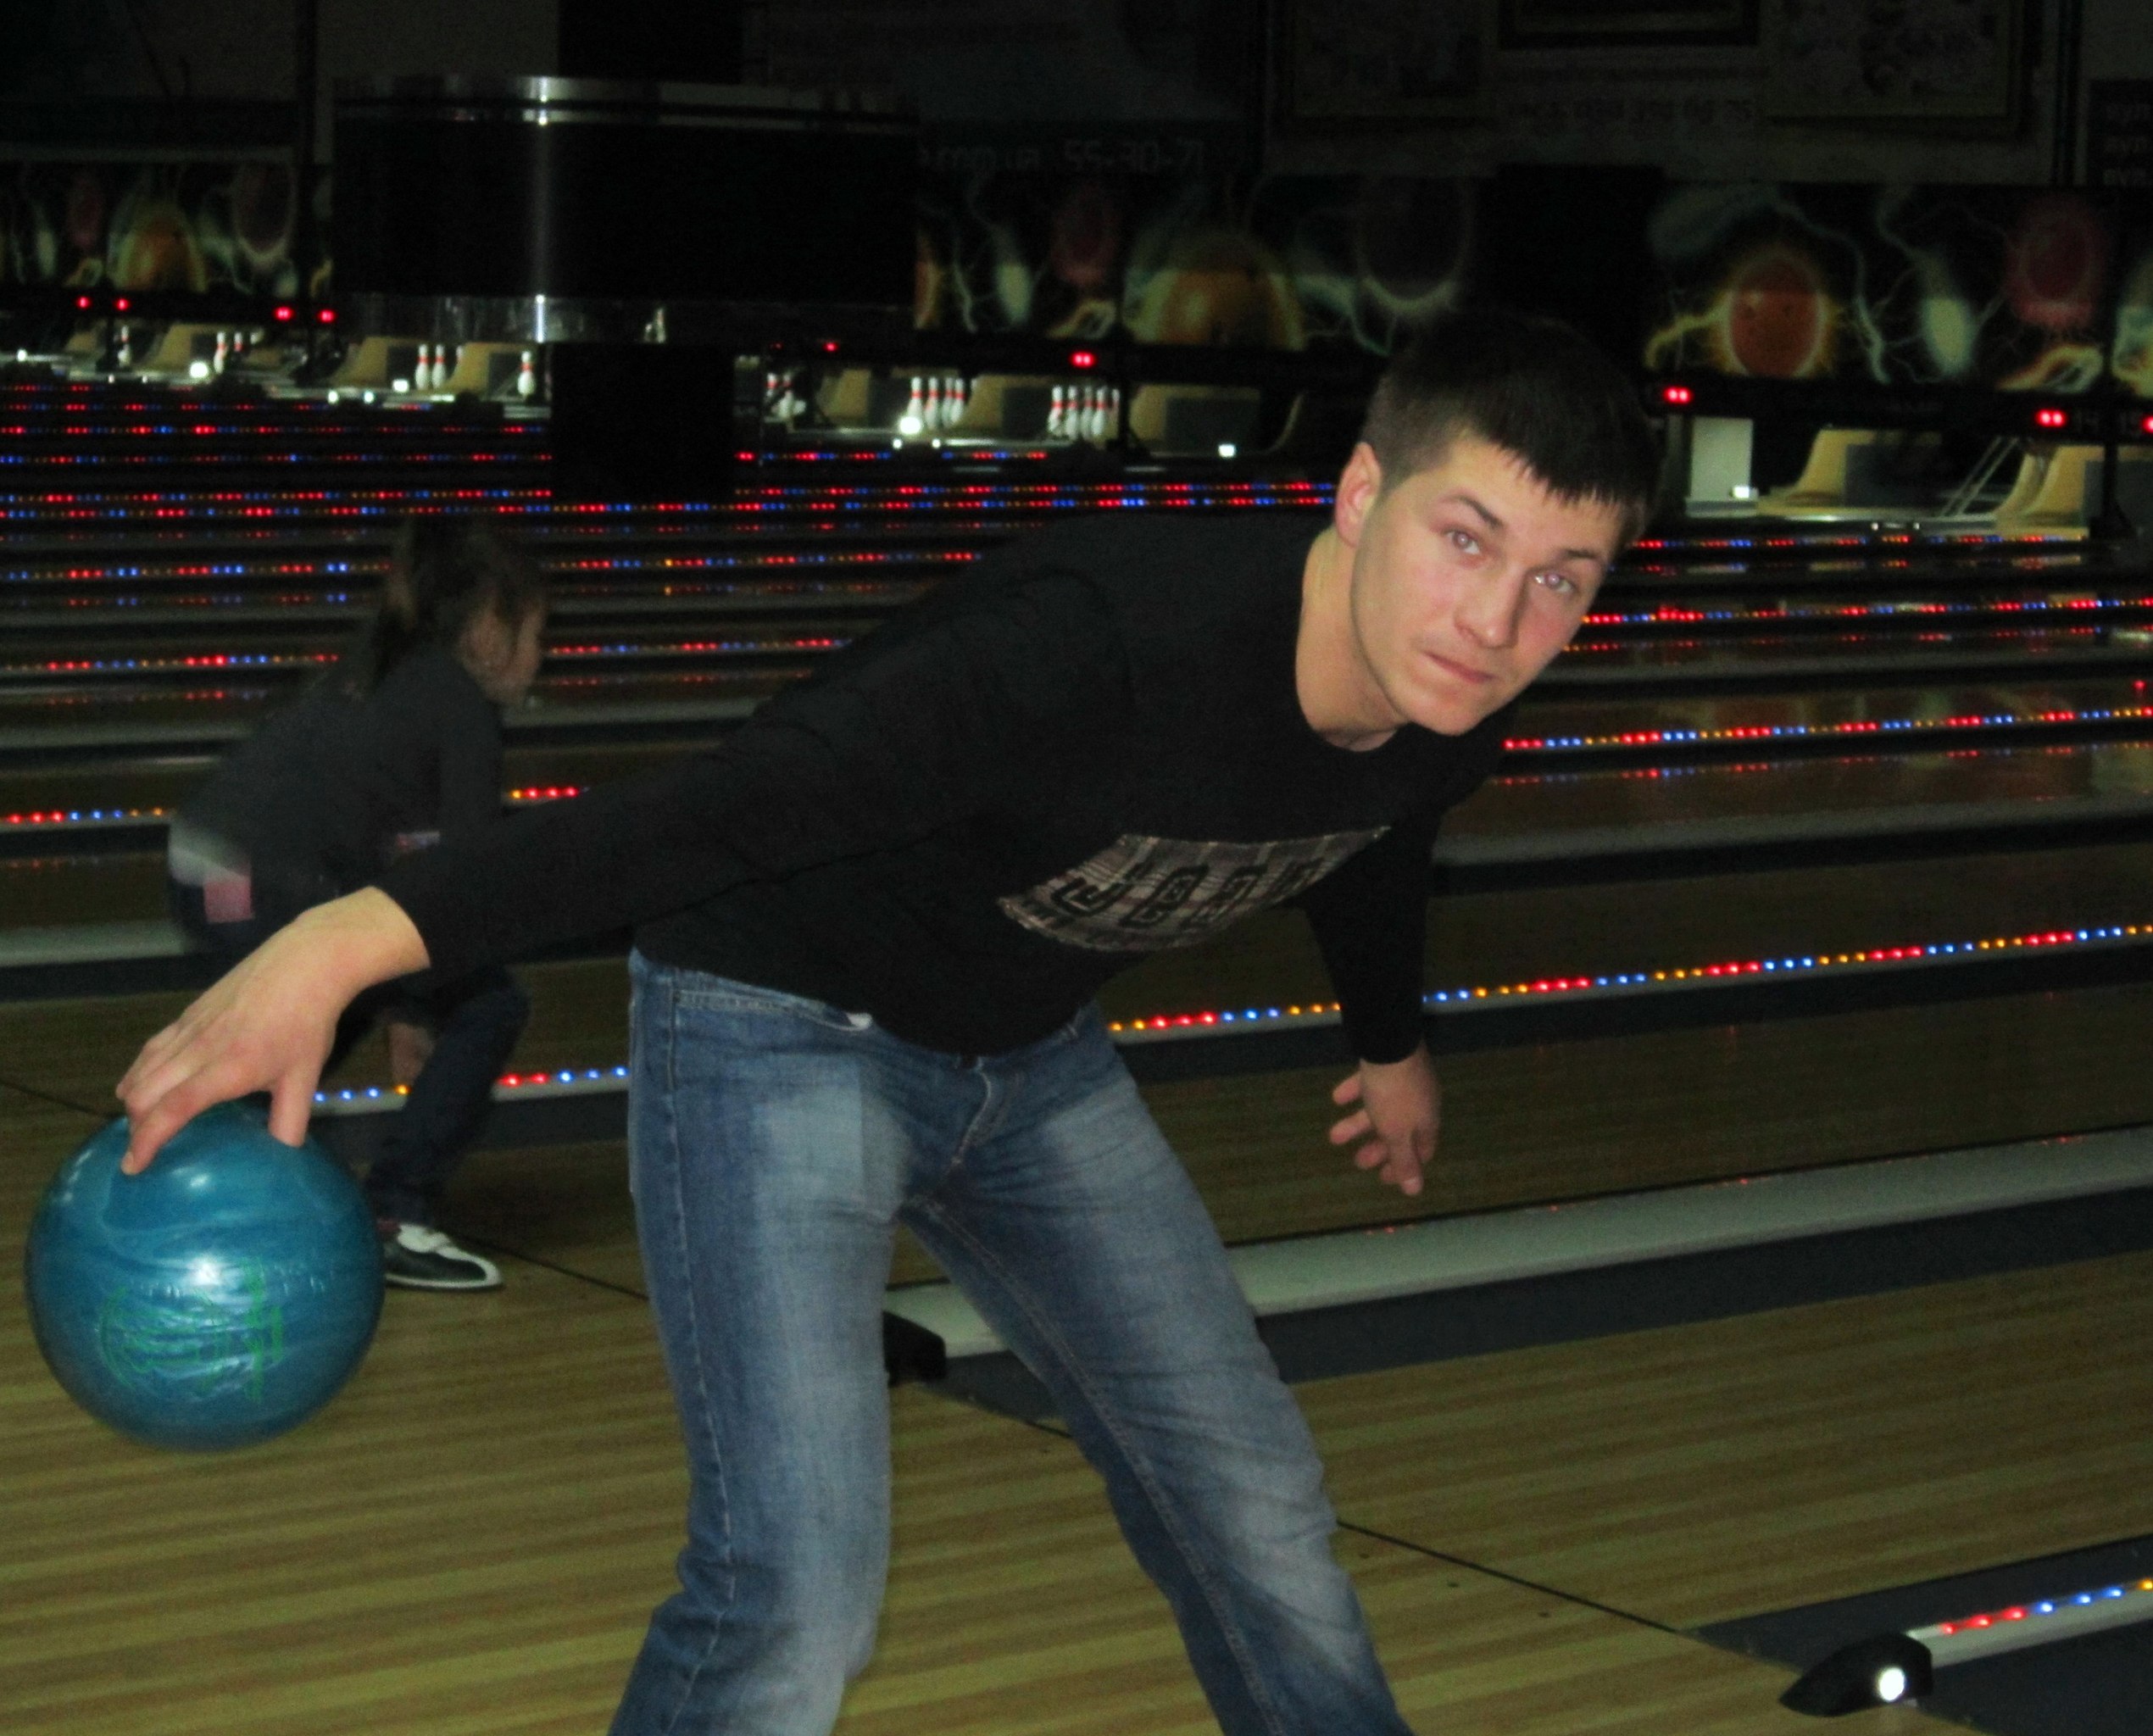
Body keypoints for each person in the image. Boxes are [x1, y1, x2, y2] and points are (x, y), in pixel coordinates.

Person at [119, 309, 1659, 1733]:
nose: (1496, 618)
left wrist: (1388, 1043)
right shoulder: (1097, 647)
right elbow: (720, 813)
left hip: (1027, 1061)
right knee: (797, 1594)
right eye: (1467, 538)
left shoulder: (1455, 703)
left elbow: (1378, 824)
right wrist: (346, 941)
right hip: (775, 1024)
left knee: (1258, 1506)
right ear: (1363, 492)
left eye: (1560, 580)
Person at [164, 514, 548, 1291]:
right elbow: (464, 880)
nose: (543, 657)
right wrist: (428, 1002)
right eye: (539, 634)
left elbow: (384, 854)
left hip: (206, 865)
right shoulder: (459, 703)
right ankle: (396, 1213)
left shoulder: (376, 664)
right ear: (488, 629)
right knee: (489, 1003)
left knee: (335, 993)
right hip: (272, 881)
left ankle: (201, 1156)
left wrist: (405, 1002)